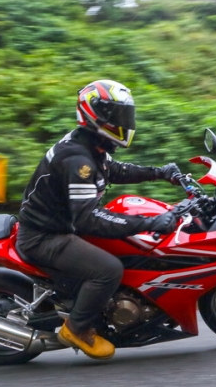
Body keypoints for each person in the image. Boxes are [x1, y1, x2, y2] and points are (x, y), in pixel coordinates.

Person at [16, 79, 182, 360]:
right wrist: (150, 223)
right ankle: (76, 329)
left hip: (59, 227)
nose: (124, 121)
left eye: (125, 115)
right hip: (45, 237)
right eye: (117, 115)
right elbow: (89, 219)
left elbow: (112, 170)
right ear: (96, 114)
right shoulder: (77, 160)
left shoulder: (89, 145)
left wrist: (159, 172)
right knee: (108, 269)